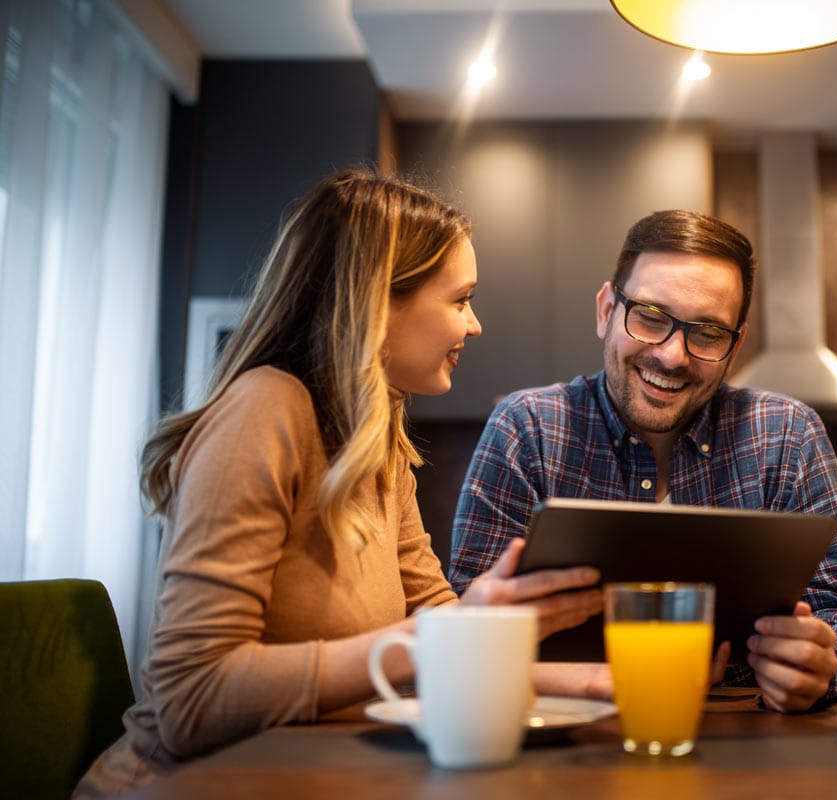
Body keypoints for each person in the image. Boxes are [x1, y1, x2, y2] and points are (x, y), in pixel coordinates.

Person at [75, 170, 603, 797]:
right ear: (378, 302)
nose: (475, 324)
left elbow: (438, 621)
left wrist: (593, 682)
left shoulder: (378, 445)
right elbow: (191, 700)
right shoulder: (264, 410)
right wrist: (445, 636)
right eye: (460, 299)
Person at [449, 209, 837, 713]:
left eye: (706, 334)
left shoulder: (787, 435)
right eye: (651, 318)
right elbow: (463, 624)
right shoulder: (527, 428)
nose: (673, 356)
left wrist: (822, 664)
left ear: (735, 346)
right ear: (606, 310)